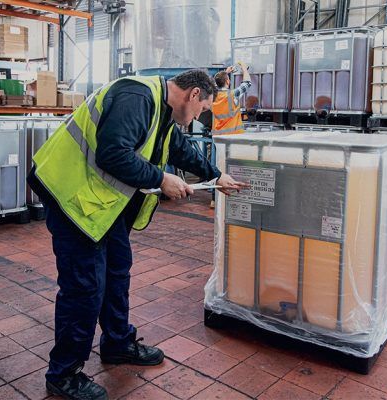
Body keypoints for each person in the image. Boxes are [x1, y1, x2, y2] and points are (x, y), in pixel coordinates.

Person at [27, 69, 248, 400]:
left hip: (98, 201)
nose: (199, 118)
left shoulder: (160, 110)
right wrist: (162, 180)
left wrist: (216, 176)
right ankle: (64, 373)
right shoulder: (137, 97)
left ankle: (117, 342)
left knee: (117, 270)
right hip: (70, 194)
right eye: (202, 109)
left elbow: (179, 149)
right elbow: (112, 154)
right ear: (193, 95)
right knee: (85, 287)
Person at [208, 61, 252, 208]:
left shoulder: (212, 97)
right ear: (227, 82)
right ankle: (235, 193)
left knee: (217, 169)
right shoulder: (232, 95)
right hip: (233, 138)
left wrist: (226, 73)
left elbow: (215, 85)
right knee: (234, 167)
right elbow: (247, 84)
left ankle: (214, 199)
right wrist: (244, 69)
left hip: (217, 138)